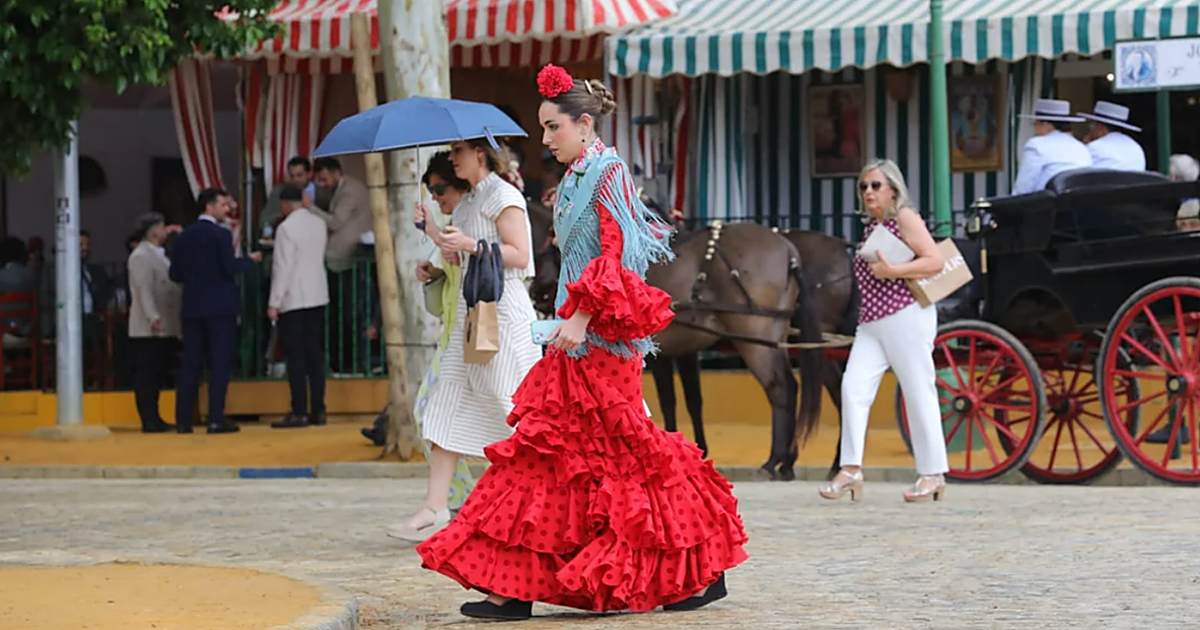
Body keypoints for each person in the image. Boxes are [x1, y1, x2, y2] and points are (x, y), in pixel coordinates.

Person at [415, 64, 748, 620]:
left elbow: (614, 254)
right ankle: (512, 584)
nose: (544, 140)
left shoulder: (609, 173)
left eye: (552, 128)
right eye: (544, 129)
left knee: (630, 456)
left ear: (584, 124)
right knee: (547, 453)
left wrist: (585, 315)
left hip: (599, 339)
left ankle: (700, 567)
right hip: (574, 336)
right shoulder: (574, 177)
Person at [388, 133, 543, 543]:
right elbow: (463, 254)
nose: (451, 159)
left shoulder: (501, 195)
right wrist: (436, 235)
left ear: (480, 153)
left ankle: (532, 504)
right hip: (471, 315)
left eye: (458, 151)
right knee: (445, 402)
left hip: (501, 314)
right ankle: (434, 506)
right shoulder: (473, 198)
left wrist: (470, 243)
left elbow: (520, 255)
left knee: (513, 406)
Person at [819, 158, 950, 503]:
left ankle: (932, 472)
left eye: (875, 185)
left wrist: (894, 271)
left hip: (905, 316)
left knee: (918, 391)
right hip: (873, 322)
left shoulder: (904, 217)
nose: (868, 192)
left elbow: (934, 260)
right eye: (863, 186)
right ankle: (851, 469)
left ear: (893, 188)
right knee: (853, 389)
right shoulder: (873, 226)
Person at [379, 151, 478, 534]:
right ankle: (454, 502)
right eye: (431, 190)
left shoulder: (468, 220)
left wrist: (434, 233)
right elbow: (442, 299)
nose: (436, 196)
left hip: (476, 338)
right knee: (431, 415)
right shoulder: (455, 222)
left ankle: (460, 503)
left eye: (440, 189)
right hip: (454, 336)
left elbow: (474, 262)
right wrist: (433, 272)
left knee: (447, 418)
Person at [170, 188, 263, 434]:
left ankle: (182, 420)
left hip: (193, 306)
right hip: (220, 306)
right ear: (209, 207)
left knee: (191, 363)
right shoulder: (220, 235)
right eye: (223, 204)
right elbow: (228, 267)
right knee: (220, 363)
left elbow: (174, 274)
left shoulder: (183, 236)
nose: (227, 209)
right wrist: (250, 261)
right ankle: (215, 418)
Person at [268, 184, 330, 429]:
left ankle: (299, 411)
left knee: (296, 358)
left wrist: (274, 301)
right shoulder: (319, 223)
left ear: (285, 205)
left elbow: (282, 268)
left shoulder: (285, 228)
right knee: (315, 355)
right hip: (317, 294)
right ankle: (318, 410)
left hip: (293, 298)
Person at [310, 157, 373, 374]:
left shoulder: (350, 191)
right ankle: (345, 363)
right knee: (343, 314)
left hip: (349, 261)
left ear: (336, 172)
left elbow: (336, 222)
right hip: (341, 260)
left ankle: (355, 363)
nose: (321, 183)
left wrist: (310, 208)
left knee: (350, 315)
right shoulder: (341, 189)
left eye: (324, 178)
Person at [127, 213, 181, 433]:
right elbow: (144, 289)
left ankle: (155, 416)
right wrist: (153, 316)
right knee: (148, 373)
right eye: (162, 226)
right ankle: (148, 418)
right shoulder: (141, 255)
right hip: (148, 327)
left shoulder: (159, 255)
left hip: (162, 322)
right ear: (153, 230)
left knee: (157, 372)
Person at [1012, 98, 1092, 195]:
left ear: (1046, 124)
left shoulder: (1036, 145)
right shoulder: (1082, 147)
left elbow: (1024, 187)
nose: (1034, 128)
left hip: (1046, 206)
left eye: (1036, 123)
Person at [1079, 100, 1146, 171]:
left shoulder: (1095, 147)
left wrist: (1083, 147)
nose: (1090, 129)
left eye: (1092, 125)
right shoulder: (1136, 147)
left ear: (1101, 128)